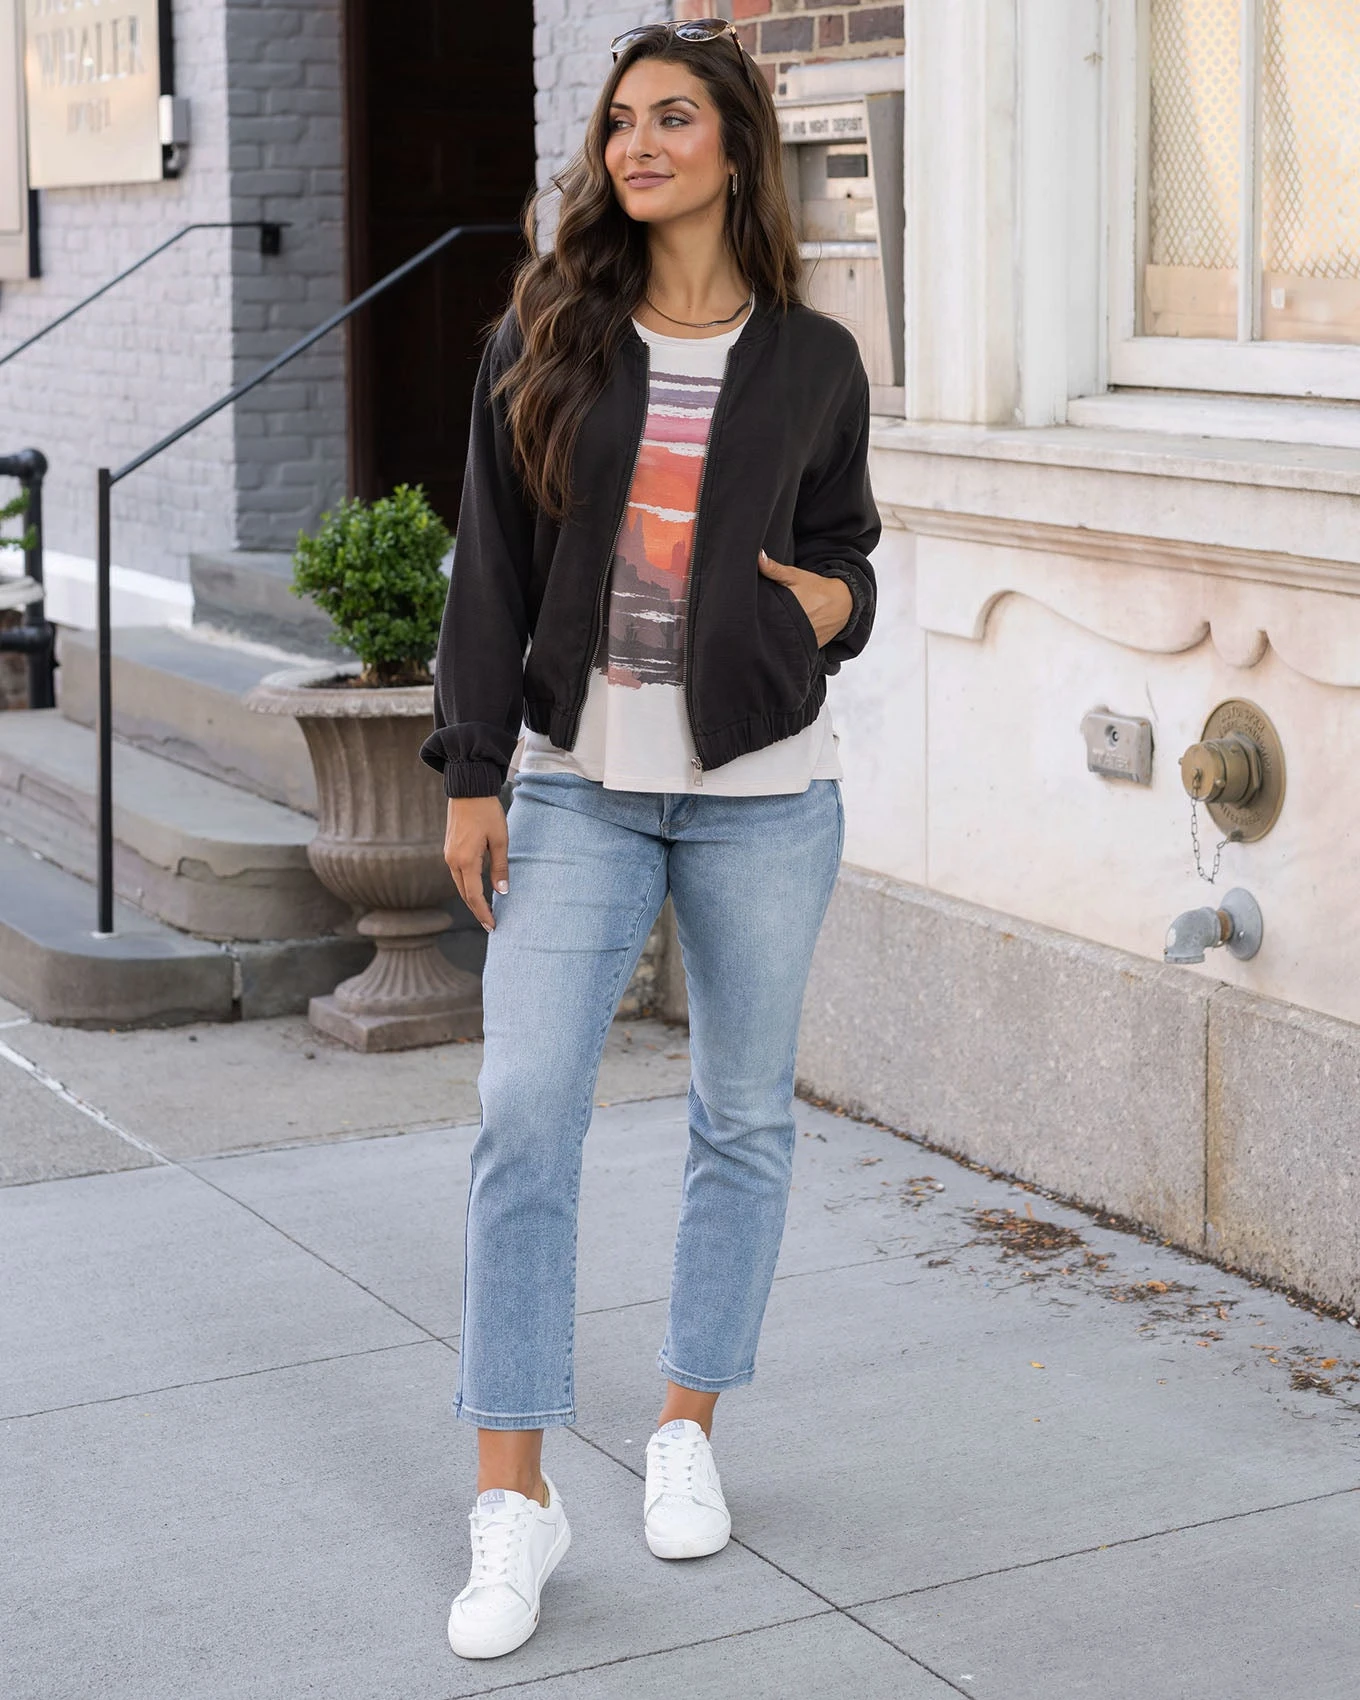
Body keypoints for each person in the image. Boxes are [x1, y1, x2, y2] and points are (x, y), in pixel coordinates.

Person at [419, 17, 879, 1662]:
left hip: (767, 793)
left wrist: (832, 602)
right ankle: (514, 1498)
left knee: (741, 1119)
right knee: (522, 1113)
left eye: (673, 118)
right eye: (621, 122)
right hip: (575, 784)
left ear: (735, 147)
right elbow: (489, 564)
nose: (638, 145)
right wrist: (471, 771)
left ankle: (687, 1423)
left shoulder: (816, 361)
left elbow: (849, 553)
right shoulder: (549, 332)